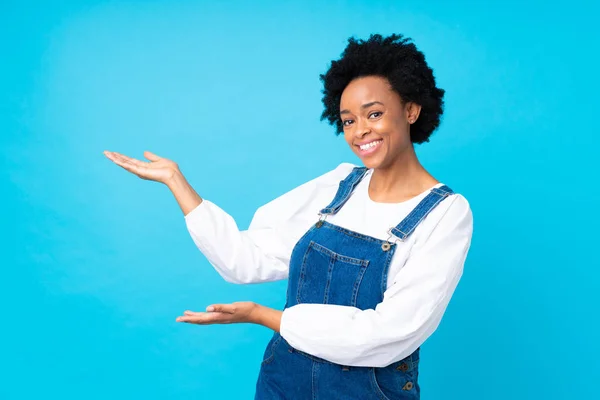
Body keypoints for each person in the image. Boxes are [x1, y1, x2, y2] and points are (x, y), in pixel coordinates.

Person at [104, 33, 473, 400]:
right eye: (347, 120)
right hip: (283, 382)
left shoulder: (445, 214)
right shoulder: (338, 185)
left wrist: (266, 317)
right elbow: (244, 262)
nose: (360, 131)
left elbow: (390, 334)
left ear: (411, 110)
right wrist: (177, 183)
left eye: (374, 114)